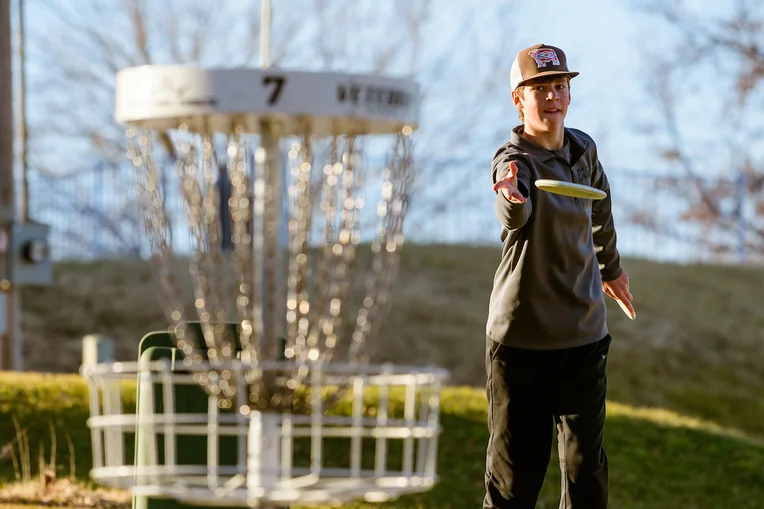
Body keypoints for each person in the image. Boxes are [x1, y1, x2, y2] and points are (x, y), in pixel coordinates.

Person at [483, 43, 634, 509]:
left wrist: (611, 268)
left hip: (583, 339)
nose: (553, 97)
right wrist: (512, 196)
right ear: (519, 99)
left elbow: (600, 206)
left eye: (560, 86)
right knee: (514, 483)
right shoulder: (514, 159)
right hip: (521, 344)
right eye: (541, 88)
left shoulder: (584, 148)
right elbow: (514, 209)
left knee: (587, 476)